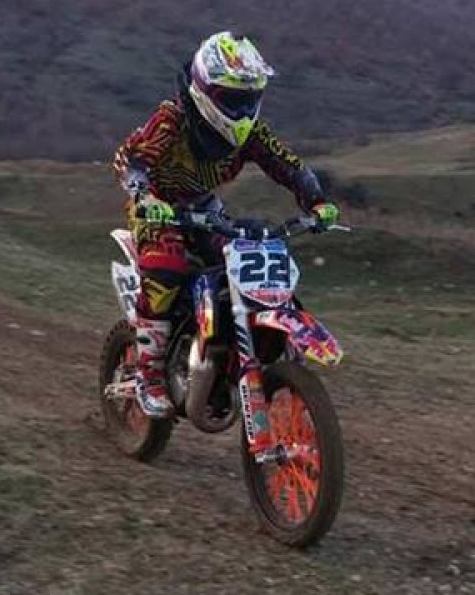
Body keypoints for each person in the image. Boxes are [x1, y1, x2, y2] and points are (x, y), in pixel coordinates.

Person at [112, 31, 340, 418]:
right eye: (234, 99)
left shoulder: (251, 133)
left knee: (242, 257)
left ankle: (245, 349)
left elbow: (288, 165)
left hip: (203, 208)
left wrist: (316, 200)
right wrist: (144, 194)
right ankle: (148, 371)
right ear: (205, 91)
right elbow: (130, 158)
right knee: (166, 267)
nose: (244, 108)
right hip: (156, 206)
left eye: (250, 98)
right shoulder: (173, 120)